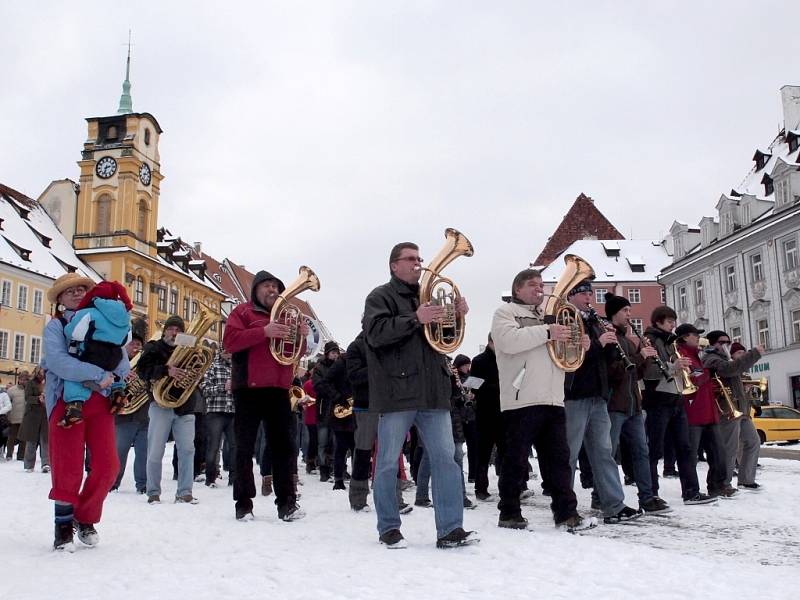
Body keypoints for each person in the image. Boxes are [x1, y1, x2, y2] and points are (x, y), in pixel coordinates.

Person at [363, 241, 478, 549]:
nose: (419, 263)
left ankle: (450, 528)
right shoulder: (380, 296)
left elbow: (446, 342)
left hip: (433, 392)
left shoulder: (428, 295)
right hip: (397, 391)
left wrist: (457, 316)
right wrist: (415, 317)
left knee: (447, 459)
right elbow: (375, 335)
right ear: (394, 265)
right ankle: (388, 527)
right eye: (411, 259)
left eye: (420, 258)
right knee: (387, 462)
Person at [490, 268, 596, 532]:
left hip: (553, 398)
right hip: (521, 398)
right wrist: (549, 331)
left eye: (541, 284)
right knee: (516, 460)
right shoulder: (505, 313)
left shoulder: (552, 316)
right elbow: (509, 341)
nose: (540, 289)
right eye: (532, 285)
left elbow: (566, 361)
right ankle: (509, 512)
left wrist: (578, 343)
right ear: (517, 290)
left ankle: (566, 513)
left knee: (559, 459)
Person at [42, 273, 130, 551]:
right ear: (59, 300)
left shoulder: (102, 319)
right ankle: (63, 525)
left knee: (108, 466)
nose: (78, 294)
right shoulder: (56, 326)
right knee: (67, 465)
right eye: (71, 292)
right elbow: (58, 361)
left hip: (101, 403)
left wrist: (111, 376)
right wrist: (97, 373)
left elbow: (123, 362)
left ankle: (86, 516)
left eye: (82, 289)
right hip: (66, 403)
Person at [223, 270, 308, 522]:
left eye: (276, 287)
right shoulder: (242, 312)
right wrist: (264, 331)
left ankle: (287, 502)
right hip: (248, 388)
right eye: (267, 286)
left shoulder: (286, 315)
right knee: (244, 447)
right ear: (256, 290)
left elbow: (295, 354)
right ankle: (243, 503)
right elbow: (230, 341)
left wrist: (301, 336)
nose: (272, 290)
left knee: (284, 447)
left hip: (278, 389)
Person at [563, 279, 643, 523]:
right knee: (570, 453)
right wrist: (599, 344)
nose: (589, 298)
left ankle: (613, 504)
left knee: (604, 452)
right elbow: (571, 357)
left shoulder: (595, 321)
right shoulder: (565, 318)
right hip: (575, 393)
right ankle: (565, 506)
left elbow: (604, 360)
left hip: (598, 394)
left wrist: (610, 344)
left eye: (590, 293)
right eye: (584, 294)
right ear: (572, 296)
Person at [603, 293, 671, 514]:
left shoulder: (629, 340)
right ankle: (599, 495)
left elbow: (636, 374)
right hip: (615, 405)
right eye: (625, 311)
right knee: (609, 454)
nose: (629, 315)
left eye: (630, 311)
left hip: (634, 405)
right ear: (614, 313)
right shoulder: (611, 337)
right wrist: (641, 355)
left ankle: (647, 497)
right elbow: (614, 372)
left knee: (642, 451)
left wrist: (648, 357)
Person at [643, 306, 716, 505]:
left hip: (676, 398)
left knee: (685, 448)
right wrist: (673, 366)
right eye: (669, 322)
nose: (673, 325)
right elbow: (649, 372)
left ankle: (691, 491)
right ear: (658, 322)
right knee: (655, 450)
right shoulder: (651, 340)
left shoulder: (669, 342)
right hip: (658, 399)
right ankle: (651, 493)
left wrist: (684, 371)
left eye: (673, 321)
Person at [138, 315, 202, 505]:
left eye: (178, 330)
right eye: (171, 329)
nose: (174, 333)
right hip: (160, 405)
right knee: (155, 450)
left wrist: (195, 375)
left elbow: (198, 371)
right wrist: (166, 370)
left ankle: (184, 492)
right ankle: (153, 492)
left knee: (188, 450)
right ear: (165, 330)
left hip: (185, 405)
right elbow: (142, 370)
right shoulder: (153, 347)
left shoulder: (190, 350)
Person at [345, 331, 411, 513]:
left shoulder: (389, 344)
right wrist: (379, 368)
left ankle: (396, 498)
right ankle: (358, 499)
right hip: (365, 407)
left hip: (389, 405)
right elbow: (354, 376)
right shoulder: (355, 347)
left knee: (392, 454)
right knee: (363, 453)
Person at [59, 281, 132, 426]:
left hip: (94, 352)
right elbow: (126, 339)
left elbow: (75, 333)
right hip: (115, 354)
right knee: (114, 372)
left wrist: (68, 329)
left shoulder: (89, 312)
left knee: (76, 375)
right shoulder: (125, 315)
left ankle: (75, 405)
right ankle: (118, 391)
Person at [701, 330, 763, 491]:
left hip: (740, 409)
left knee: (753, 442)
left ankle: (746, 479)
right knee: (730, 447)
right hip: (727, 410)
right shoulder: (711, 359)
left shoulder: (724, 358)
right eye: (723, 342)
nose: (727, 345)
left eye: (728, 342)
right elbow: (729, 370)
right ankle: (725, 483)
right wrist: (753, 354)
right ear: (713, 344)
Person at [674, 324, 730, 497]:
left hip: (708, 411)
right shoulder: (681, 355)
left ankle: (717, 485)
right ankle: (691, 491)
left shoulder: (699, 355)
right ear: (684, 337)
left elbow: (702, 378)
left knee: (718, 452)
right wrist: (708, 373)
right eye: (694, 334)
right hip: (693, 413)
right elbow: (693, 379)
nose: (698, 337)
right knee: (690, 456)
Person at [111, 333, 148, 493]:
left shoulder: (145, 364)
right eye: (132, 344)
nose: (135, 347)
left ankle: (142, 484)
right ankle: (113, 482)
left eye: (138, 345)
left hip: (144, 414)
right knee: (120, 451)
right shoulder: (116, 362)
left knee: (143, 453)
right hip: (123, 416)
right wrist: (122, 377)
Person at [469, 334, 504, 502]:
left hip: (504, 411)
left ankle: (510, 487)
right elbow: (473, 387)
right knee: (483, 453)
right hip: (485, 412)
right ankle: (480, 488)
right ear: (491, 342)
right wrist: (495, 387)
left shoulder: (507, 358)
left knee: (506, 452)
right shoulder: (479, 360)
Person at [319, 349, 356, 490]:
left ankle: (357, 479)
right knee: (341, 447)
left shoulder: (359, 361)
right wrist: (338, 397)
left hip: (355, 410)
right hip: (341, 410)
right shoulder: (341, 363)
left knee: (356, 447)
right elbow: (324, 382)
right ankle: (338, 480)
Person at [200, 347, 236, 488]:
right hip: (216, 412)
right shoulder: (212, 366)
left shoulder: (237, 367)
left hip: (233, 411)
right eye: (226, 351)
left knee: (235, 446)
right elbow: (204, 389)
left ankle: (234, 478)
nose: (228, 353)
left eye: (230, 351)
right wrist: (223, 387)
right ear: (220, 352)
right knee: (214, 446)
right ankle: (210, 478)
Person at [312, 341, 341, 482]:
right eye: (333, 352)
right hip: (324, 409)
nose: (335, 355)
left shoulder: (341, 366)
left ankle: (337, 468)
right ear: (327, 353)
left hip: (338, 409)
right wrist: (334, 393)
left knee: (337, 442)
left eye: (337, 352)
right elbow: (318, 385)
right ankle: (323, 469)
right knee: (322, 442)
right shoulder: (319, 368)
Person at [453, 354, 478, 483]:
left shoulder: (470, 378)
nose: (467, 367)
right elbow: (452, 398)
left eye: (468, 365)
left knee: (473, 446)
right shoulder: (453, 378)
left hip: (471, 416)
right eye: (465, 365)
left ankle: (473, 474)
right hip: (459, 417)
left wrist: (473, 397)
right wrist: (461, 398)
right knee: (458, 447)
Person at [19, 367, 49, 474]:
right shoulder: (31, 383)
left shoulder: (49, 382)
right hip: (32, 415)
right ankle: (28, 465)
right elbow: (27, 398)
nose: (43, 372)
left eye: (44, 370)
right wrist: (38, 399)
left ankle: (46, 463)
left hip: (45, 415)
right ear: (37, 372)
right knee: (31, 440)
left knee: (45, 440)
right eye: (41, 370)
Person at [4, 371, 28, 461]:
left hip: (25, 418)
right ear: (19, 380)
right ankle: (9, 454)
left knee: (24, 438)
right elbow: (7, 403)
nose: (23, 381)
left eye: (25, 380)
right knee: (11, 437)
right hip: (13, 418)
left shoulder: (29, 390)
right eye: (22, 379)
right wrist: (7, 416)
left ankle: (21, 456)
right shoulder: (11, 390)